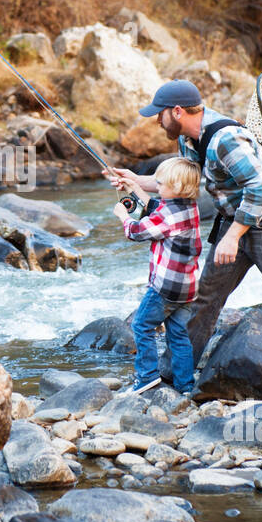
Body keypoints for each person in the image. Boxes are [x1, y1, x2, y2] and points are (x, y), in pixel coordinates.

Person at [104, 79, 262, 403]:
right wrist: (135, 180)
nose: (157, 121)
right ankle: (173, 375)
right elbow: (176, 182)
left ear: (177, 111)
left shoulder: (225, 140)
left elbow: (259, 190)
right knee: (205, 298)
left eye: (159, 115)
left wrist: (233, 237)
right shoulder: (190, 141)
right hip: (234, 221)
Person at [112, 156, 204, 395]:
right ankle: (185, 385)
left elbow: (137, 231)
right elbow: (156, 206)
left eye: (161, 184)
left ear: (178, 188)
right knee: (178, 335)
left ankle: (147, 377)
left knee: (142, 326)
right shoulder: (188, 207)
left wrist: (123, 216)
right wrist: (133, 188)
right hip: (188, 289)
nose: (157, 186)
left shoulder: (168, 215)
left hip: (165, 289)